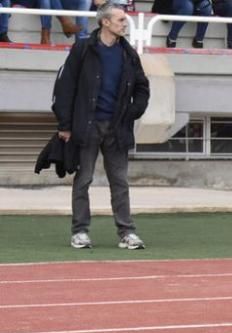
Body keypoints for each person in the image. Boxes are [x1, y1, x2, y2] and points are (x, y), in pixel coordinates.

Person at [53, 2, 149, 250]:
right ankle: (80, 232)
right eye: (120, 20)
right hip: (86, 126)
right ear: (105, 22)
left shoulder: (129, 53)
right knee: (83, 179)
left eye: (124, 20)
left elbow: (142, 87)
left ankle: (127, 232)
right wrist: (64, 124)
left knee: (120, 181)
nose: (124, 23)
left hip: (117, 128)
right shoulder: (82, 49)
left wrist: (133, 112)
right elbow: (64, 87)